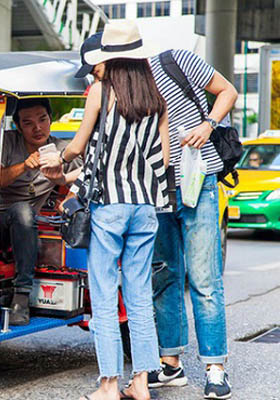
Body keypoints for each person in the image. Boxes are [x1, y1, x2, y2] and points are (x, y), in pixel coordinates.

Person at [41, 21, 170, 400]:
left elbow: (79, 146)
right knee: (140, 297)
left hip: (110, 207)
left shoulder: (100, 90)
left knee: (103, 294)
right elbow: (161, 158)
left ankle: (109, 384)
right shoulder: (157, 94)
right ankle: (142, 383)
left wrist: (58, 159)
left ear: (109, 58)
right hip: (146, 207)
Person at [145, 28, 238, 400]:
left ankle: (215, 368)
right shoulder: (121, 90)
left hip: (198, 182)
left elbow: (227, 90)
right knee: (165, 277)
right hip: (154, 191)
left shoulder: (176, 61)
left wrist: (208, 123)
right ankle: (171, 365)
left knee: (204, 278)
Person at [0, 98, 81, 326]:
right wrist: (24, 165)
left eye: (42, 120)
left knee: (25, 212)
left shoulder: (62, 150)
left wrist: (69, 197)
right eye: (28, 123)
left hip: (28, 220)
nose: (37, 128)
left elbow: (86, 175)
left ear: (50, 120)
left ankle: (21, 297)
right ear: (18, 126)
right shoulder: (6, 143)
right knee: (21, 211)